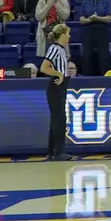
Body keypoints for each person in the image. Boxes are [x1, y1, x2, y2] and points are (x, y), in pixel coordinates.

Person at [41, 22, 75, 161]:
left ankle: (52, 151)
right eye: (67, 34)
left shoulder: (60, 48)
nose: (69, 36)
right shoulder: (55, 48)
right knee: (59, 120)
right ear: (61, 35)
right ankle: (59, 152)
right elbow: (44, 67)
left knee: (58, 119)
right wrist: (59, 74)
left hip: (60, 86)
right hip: (56, 86)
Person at [75, 0, 111, 75]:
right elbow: (81, 20)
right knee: (87, 56)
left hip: (102, 30)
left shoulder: (107, 2)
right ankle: (87, 78)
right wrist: (90, 19)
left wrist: (97, 18)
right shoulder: (84, 3)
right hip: (88, 30)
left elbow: (108, 18)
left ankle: (105, 77)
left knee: (103, 56)